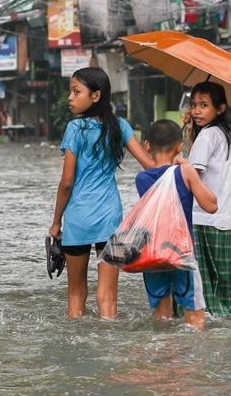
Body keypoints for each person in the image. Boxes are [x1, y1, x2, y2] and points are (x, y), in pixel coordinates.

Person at [49, 67, 155, 319]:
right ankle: (109, 341)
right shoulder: (120, 126)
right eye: (70, 92)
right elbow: (150, 166)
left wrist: (55, 223)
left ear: (96, 96)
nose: (70, 97)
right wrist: (177, 163)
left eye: (76, 92)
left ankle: (78, 349)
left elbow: (66, 182)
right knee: (108, 295)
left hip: (78, 220)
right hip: (110, 218)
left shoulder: (76, 129)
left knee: (76, 294)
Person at [135, 119, 217, 331]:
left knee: (162, 321)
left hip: (153, 256)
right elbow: (211, 205)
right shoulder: (184, 173)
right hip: (182, 254)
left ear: (147, 146)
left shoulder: (141, 179)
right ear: (180, 147)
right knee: (195, 319)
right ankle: (191, 362)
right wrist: (189, 168)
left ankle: (164, 360)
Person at [187, 81, 231, 315]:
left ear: (220, 108)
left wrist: (180, 164)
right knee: (222, 282)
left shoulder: (208, 136)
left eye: (204, 105)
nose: (197, 110)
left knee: (203, 282)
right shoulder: (225, 134)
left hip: (203, 217)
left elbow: (192, 176)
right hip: (223, 216)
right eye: (193, 105)